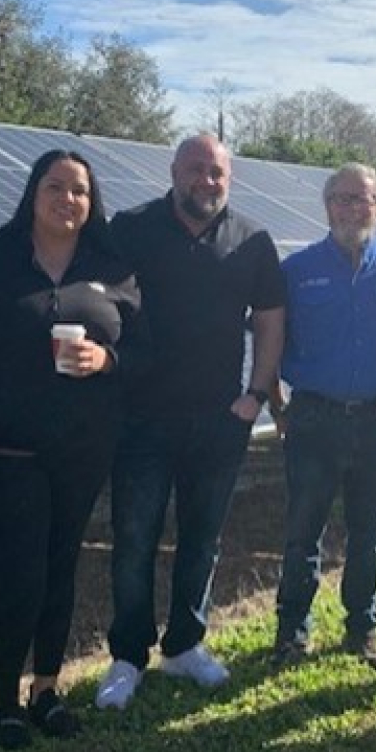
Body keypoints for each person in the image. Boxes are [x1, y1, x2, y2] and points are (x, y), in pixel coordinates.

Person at [0, 149, 145, 749]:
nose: (68, 199)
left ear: (91, 201)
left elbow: (145, 352)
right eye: (56, 187)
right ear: (33, 192)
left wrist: (107, 359)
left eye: (79, 190)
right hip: (2, 453)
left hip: (82, 449)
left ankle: (46, 691)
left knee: (60, 569)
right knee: (21, 574)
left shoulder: (113, 266)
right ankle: (3, 702)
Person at [96, 133, 286, 710]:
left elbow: (271, 318)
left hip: (220, 419)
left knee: (202, 540)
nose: (207, 181)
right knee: (133, 541)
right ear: (174, 171)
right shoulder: (129, 228)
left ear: (230, 179)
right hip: (141, 419)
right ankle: (128, 655)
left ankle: (185, 645)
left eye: (218, 173)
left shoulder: (252, 240)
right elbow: (98, 303)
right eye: (196, 169)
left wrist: (256, 396)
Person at [269, 162, 376, 671]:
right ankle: (292, 632)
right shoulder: (296, 271)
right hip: (313, 418)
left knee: (367, 535)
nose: (352, 208)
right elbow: (268, 342)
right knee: (302, 533)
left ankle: (363, 628)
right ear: (326, 205)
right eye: (341, 198)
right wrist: (276, 406)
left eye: (363, 199)